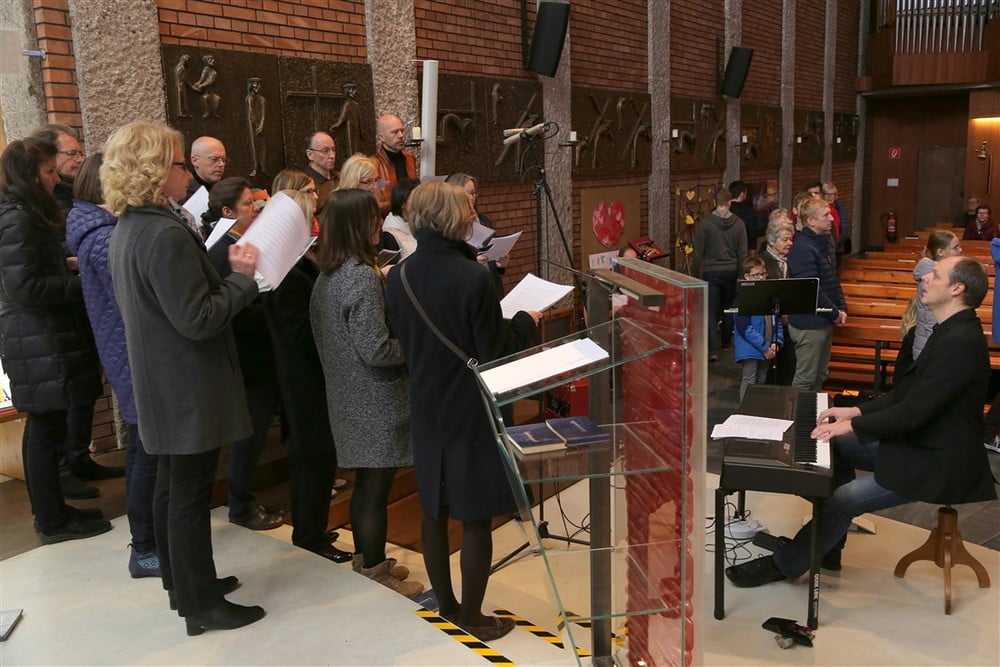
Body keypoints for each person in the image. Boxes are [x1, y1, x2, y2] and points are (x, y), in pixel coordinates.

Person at [726, 255, 997, 587]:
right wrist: (854, 412)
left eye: (935, 275)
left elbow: (915, 412)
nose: (925, 278)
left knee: (845, 499)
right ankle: (827, 546)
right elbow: (906, 395)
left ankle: (786, 564)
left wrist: (853, 426)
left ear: (957, 288)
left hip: (937, 460)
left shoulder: (960, 341)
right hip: (923, 444)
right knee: (834, 446)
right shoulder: (949, 331)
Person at [104, 121, 264, 634]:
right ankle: (201, 605)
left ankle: (185, 584)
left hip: (163, 380)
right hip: (186, 383)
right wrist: (242, 280)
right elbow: (197, 318)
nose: (186, 175)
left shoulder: (132, 226)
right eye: (178, 164)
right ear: (155, 170)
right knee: (188, 495)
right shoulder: (163, 233)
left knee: (172, 488)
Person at [385, 181, 539, 641]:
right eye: (468, 212)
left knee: (433, 511)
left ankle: (448, 604)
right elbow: (494, 353)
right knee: (475, 515)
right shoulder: (473, 277)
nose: (473, 218)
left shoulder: (398, 275)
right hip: (470, 405)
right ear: (453, 219)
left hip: (426, 400)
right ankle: (471, 615)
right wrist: (525, 323)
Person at [310, 189, 423, 595]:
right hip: (374, 399)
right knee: (374, 488)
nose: (379, 224)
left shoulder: (328, 274)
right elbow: (377, 350)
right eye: (373, 218)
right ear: (358, 224)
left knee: (369, 485)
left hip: (347, 395)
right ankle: (374, 569)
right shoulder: (360, 275)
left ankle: (368, 558)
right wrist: (416, 344)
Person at [0, 136, 109, 544]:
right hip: (35, 335)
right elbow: (25, 287)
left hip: (42, 335)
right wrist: (82, 283)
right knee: (44, 429)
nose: (54, 179)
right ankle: (51, 519)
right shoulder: (17, 217)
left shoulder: (24, 212)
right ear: (29, 176)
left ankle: (54, 511)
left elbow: (29, 267)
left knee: (48, 426)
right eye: (48, 172)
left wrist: (63, 264)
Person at [64, 154, 159, 576]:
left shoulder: (101, 228)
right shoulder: (103, 236)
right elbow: (130, 297)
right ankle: (145, 547)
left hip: (128, 348)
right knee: (146, 451)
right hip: (130, 351)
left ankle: (150, 541)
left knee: (144, 447)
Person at [256, 189, 352, 562]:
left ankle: (312, 529)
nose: (314, 226)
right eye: (307, 219)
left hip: (308, 377)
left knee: (316, 458)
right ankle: (310, 536)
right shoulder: (284, 273)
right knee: (314, 456)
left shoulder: (295, 262)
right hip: (304, 379)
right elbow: (299, 334)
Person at [30, 123, 122, 498]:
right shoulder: (43, 204)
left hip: (81, 308)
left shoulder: (69, 196)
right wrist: (71, 266)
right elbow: (35, 266)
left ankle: (80, 456)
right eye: (71, 153)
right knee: (63, 397)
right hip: (57, 315)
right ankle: (65, 467)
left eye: (80, 152)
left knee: (86, 389)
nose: (78, 158)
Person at [202, 177, 284, 532]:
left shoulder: (242, 242)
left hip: (257, 350)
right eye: (249, 203)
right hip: (246, 354)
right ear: (227, 211)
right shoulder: (223, 250)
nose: (256, 209)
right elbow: (232, 305)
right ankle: (241, 505)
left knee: (256, 432)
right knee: (249, 435)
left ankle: (245, 499)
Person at [787, 198, 847, 391]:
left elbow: (832, 279)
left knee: (820, 374)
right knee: (805, 379)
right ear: (811, 221)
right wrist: (834, 312)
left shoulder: (823, 243)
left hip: (823, 319)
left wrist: (842, 307)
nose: (832, 218)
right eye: (826, 215)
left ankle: (812, 409)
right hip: (809, 323)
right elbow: (811, 289)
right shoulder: (802, 248)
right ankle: (796, 410)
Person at [693, 189, 747, 361]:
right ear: (730, 202)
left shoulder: (705, 224)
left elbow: (698, 252)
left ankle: (713, 348)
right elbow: (743, 253)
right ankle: (725, 341)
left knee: (710, 310)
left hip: (711, 271)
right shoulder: (739, 224)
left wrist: (694, 274)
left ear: (715, 202)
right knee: (729, 307)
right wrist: (741, 274)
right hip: (731, 271)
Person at [445, 172, 508, 297]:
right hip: (469, 293)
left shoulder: (484, 221)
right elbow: (448, 270)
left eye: (473, 193)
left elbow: (491, 256)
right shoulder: (448, 229)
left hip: (492, 290)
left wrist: (499, 265)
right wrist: (473, 264)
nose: (472, 197)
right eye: (467, 193)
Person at [733, 256, 783, 401]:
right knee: (749, 379)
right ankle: (745, 410)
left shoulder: (769, 295)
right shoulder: (742, 298)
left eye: (763, 274)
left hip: (768, 345)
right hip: (751, 347)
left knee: (762, 379)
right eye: (756, 275)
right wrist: (764, 347)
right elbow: (744, 328)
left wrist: (776, 342)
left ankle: (757, 408)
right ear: (747, 277)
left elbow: (776, 321)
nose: (761, 278)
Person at [912, 230, 962, 359]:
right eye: (955, 248)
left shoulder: (941, 275)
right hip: (931, 345)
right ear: (941, 252)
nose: (960, 250)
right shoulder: (933, 279)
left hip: (935, 342)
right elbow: (934, 320)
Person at [760, 216, 797, 386]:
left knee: (788, 367)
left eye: (791, 239)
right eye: (785, 239)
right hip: (768, 325)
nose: (790, 243)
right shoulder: (761, 262)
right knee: (767, 373)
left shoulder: (794, 261)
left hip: (790, 324)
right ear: (771, 240)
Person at [372, 114, 416, 215]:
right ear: (382, 137)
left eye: (402, 131)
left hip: (411, 215)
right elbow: (374, 205)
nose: (401, 135)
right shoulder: (373, 164)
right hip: (388, 217)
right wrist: (400, 204)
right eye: (395, 132)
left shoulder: (410, 158)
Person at [381, 178, 420, 260]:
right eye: (416, 199)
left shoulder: (420, 223)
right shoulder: (389, 234)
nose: (420, 203)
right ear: (402, 202)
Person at [303, 131, 339, 209]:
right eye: (325, 151)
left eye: (333, 150)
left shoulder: (341, 178)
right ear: (310, 154)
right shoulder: (304, 183)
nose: (332, 156)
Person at [185, 136, 227, 201]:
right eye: (214, 159)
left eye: (223, 160)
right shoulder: (183, 193)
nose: (221, 164)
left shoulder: (229, 190)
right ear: (195, 160)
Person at [822, 181, 851, 263]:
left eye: (833, 194)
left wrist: (835, 244)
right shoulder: (820, 208)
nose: (830, 197)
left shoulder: (840, 208)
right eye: (827, 194)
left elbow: (845, 229)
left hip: (838, 246)